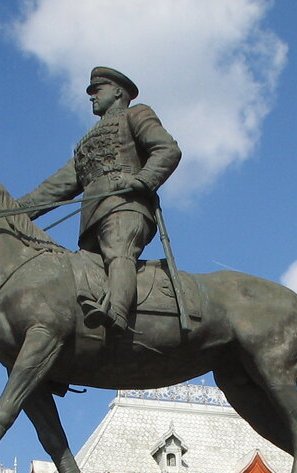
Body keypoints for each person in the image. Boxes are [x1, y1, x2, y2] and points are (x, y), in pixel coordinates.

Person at [18, 66, 181, 332]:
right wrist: (15, 210)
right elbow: (57, 186)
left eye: (97, 90)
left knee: (118, 252)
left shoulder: (136, 114)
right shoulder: (86, 142)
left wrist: (142, 180)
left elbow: (167, 149)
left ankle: (116, 315)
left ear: (118, 92)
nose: (91, 96)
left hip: (125, 207)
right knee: (81, 275)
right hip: (92, 219)